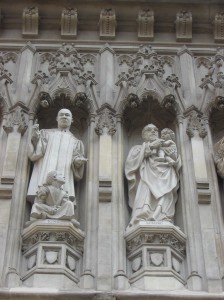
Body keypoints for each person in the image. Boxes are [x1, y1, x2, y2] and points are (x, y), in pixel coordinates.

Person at [27, 108, 87, 206]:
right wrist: (35, 139)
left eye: (67, 115)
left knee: (64, 197)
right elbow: (36, 153)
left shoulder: (76, 142)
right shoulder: (45, 133)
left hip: (65, 173)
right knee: (42, 194)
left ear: (72, 120)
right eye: (61, 114)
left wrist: (77, 162)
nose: (64, 116)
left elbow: (76, 159)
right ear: (56, 118)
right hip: (45, 172)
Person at [125, 124, 181, 227]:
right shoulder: (137, 148)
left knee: (167, 190)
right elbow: (130, 164)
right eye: (149, 130)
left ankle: (162, 216)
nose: (153, 131)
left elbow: (174, 158)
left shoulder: (164, 146)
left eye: (156, 130)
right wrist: (150, 146)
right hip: (147, 175)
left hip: (165, 173)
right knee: (146, 191)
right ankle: (143, 215)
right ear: (144, 135)